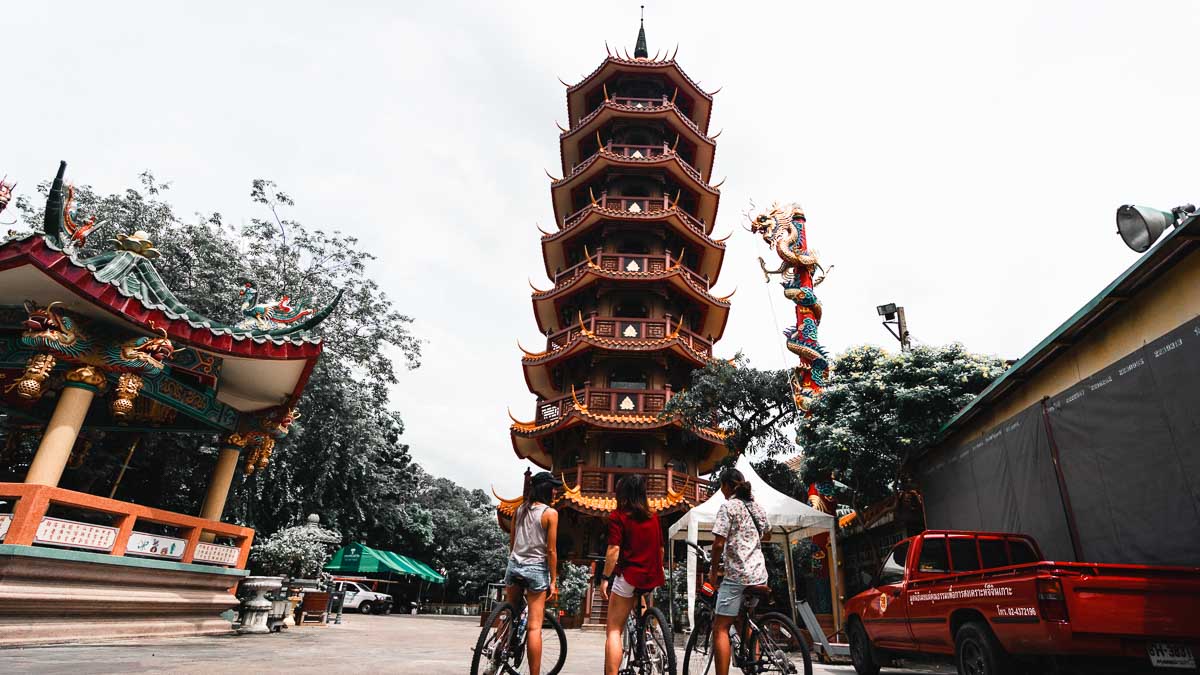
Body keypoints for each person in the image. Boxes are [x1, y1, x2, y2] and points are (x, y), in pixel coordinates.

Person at [599, 474, 666, 675]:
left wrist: (604, 578)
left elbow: (613, 551)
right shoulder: (653, 516)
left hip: (629, 575)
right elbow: (661, 550)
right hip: (651, 575)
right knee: (641, 605)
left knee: (613, 630)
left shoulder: (618, 516)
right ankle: (649, 641)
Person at [708, 467, 770, 675]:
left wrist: (712, 572)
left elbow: (718, 544)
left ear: (726, 485)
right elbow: (767, 534)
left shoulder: (728, 507)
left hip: (737, 576)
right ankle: (756, 665)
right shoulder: (757, 507)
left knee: (721, 627)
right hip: (759, 575)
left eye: (721, 487)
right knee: (744, 619)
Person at [504, 471, 561, 675]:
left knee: (511, 614)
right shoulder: (550, 513)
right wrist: (553, 580)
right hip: (536, 569)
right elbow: (551, 551)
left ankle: (497, 657)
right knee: (534, 628)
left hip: (514, 566)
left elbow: (512, 542)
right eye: (553, 487)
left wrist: (515, 561)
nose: (556, 491)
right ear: (546, 489)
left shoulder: (519, 510)